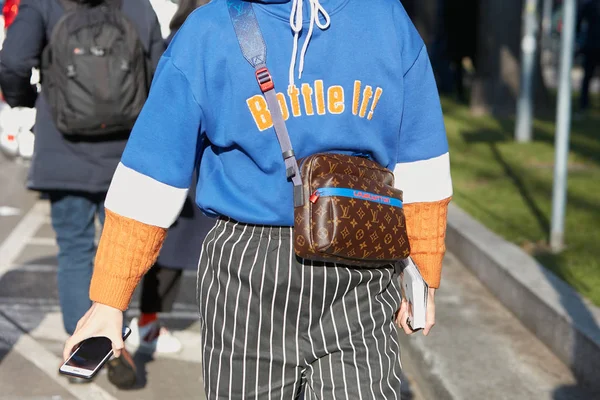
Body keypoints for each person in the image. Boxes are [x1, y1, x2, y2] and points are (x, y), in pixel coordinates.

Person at [64, 0, 453, 397]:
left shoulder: (210, 28)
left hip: (265, 263)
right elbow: (422, 159)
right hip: (309, 261)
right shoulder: (384, 16)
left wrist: (109, 301)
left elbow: (153, 173)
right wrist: (421, 275)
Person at [0, 0, 165, 388]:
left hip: (63, 148)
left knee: (75, 250)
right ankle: (118, 347)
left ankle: (81, 353)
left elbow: (12, 62)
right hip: (127, 154)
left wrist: (30, 102)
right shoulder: (138, 7)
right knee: (126, 251)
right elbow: (160, 72)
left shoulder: (42, 4)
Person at [127, 0, 214, 355]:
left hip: (184, 159)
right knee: (174, 248)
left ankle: (147, 321)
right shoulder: (209, 36)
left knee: (172, 246)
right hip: (199, 160)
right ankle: (147, 322)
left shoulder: (178, 37)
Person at [577, 0, 600, 112]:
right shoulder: (590, 5)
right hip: (591, 46)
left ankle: (584, 104)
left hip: (591, 45)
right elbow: (578, 21)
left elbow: (578, 21)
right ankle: (584, 104)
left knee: (587, 77)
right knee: (587, 77)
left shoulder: (590, 5)